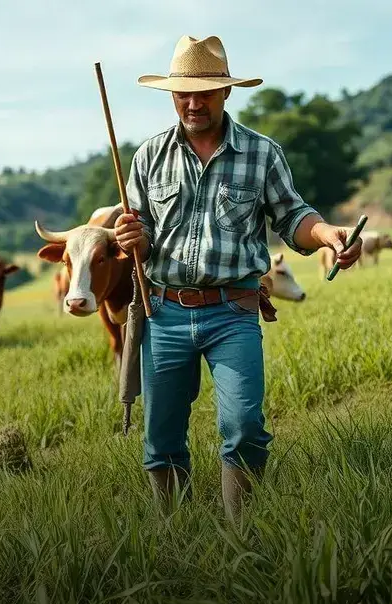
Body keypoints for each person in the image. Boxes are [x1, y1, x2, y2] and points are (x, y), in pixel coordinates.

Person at [114, 35, 362, 521]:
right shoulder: (148, 156)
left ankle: (240, 533)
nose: (192, 102)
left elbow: (293, 217)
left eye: (204, 91)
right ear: (171, 95)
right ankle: (173, 530)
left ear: (226, 92)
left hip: (233, 311)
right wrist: (131, 238)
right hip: (162, 311)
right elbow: (140, 236)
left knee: (244, 424)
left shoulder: (261, 152)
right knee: (161, 434)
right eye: (182, 92)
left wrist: (328, 232)